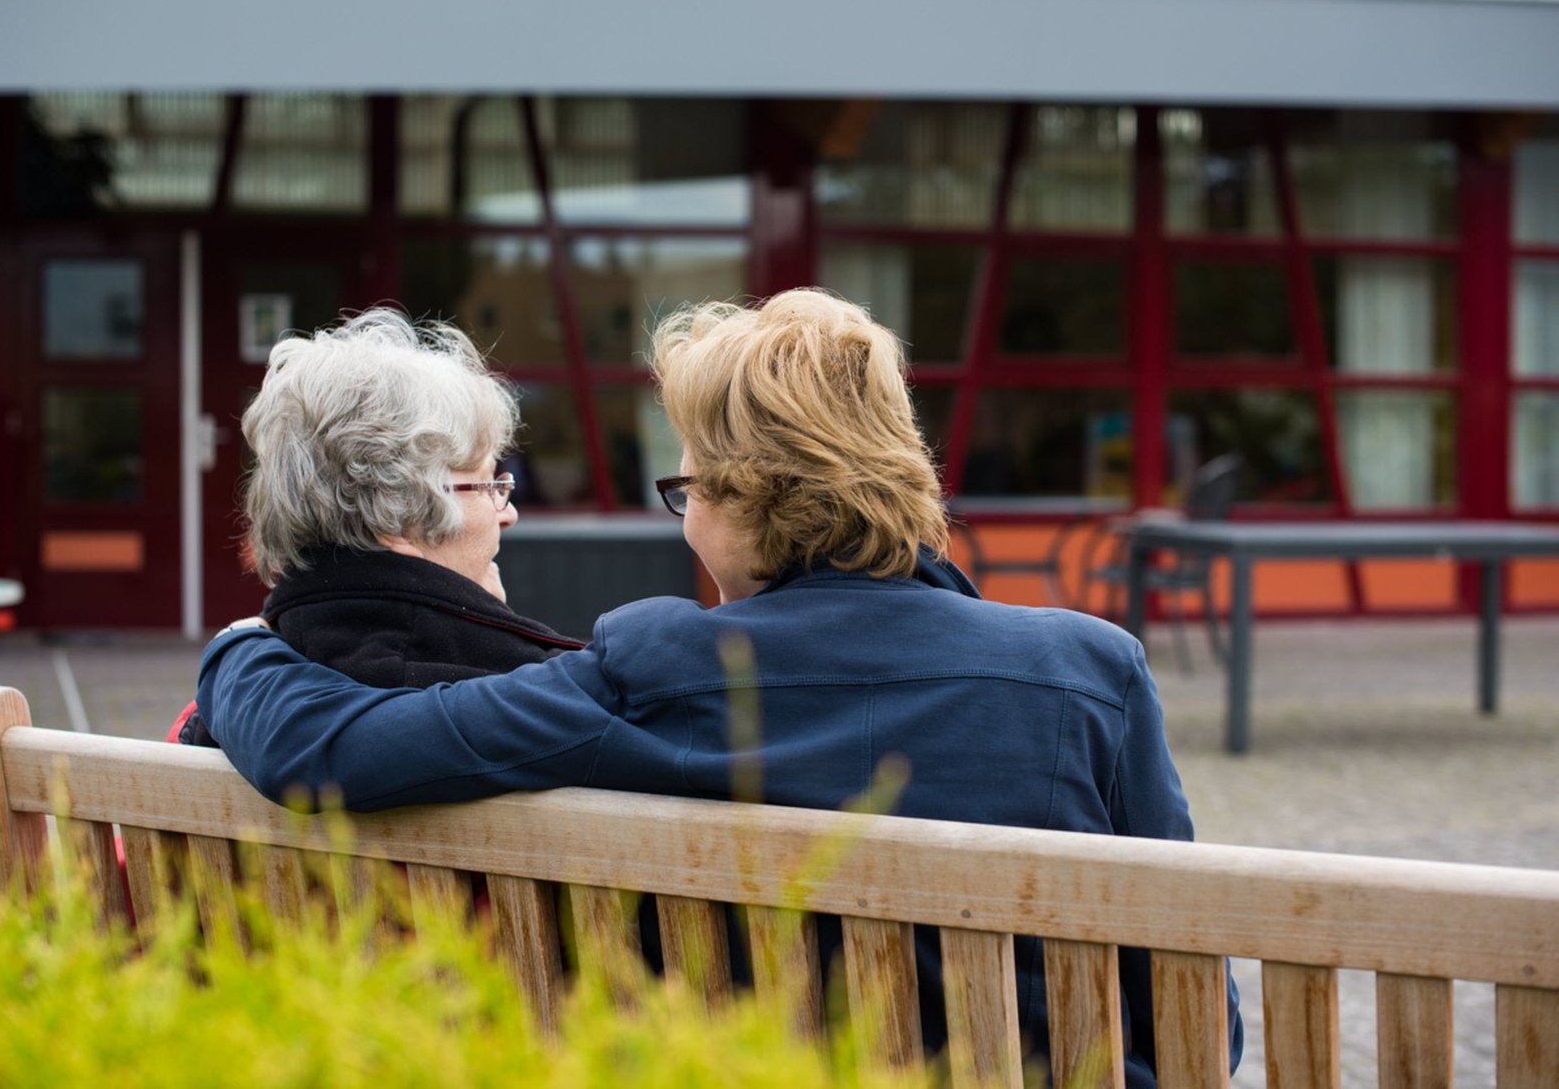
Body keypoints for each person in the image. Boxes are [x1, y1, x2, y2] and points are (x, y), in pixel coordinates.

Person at [197, 289, 1241, 1084]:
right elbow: (1208, 1021)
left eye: (687, 485)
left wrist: (238, 646)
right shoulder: (1090, 670)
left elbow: (330, 750)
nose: (684, 518)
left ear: (741, 500)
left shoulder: (664, 672)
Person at [172, 308, 581, 747]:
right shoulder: (545, 697)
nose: (508, 512)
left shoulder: (226, 702)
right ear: (399, 519)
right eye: (488, 484)